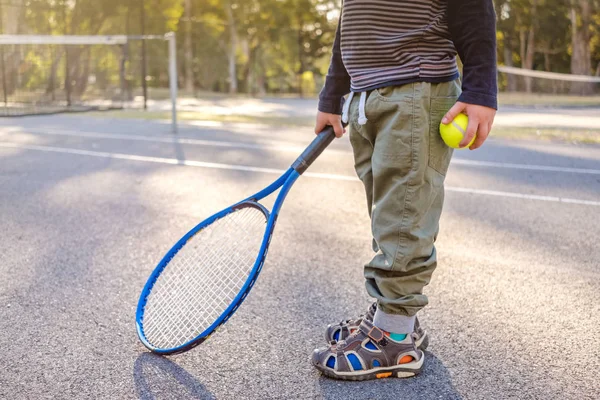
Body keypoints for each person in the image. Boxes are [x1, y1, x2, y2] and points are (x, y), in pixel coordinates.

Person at [311, 0, 498, 380]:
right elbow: (351, 20)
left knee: (403, 216)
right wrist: (333, 94)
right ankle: (391, 314)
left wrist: (481, 88)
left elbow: (473, 8)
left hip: (416, 87)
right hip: (367, 96)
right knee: (387, 216)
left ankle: (394, 334)